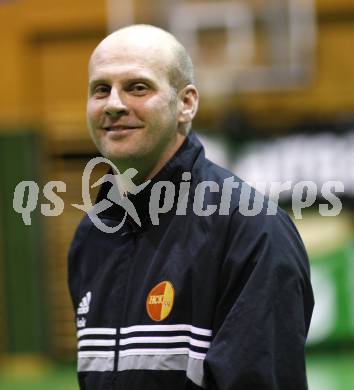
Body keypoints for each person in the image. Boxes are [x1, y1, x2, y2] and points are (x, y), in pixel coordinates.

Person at [68, 24, 314, 390]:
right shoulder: (92, 237)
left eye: (137, 87)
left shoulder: (252, 229)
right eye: (101, 89)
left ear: (186, 103)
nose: (115, 104)